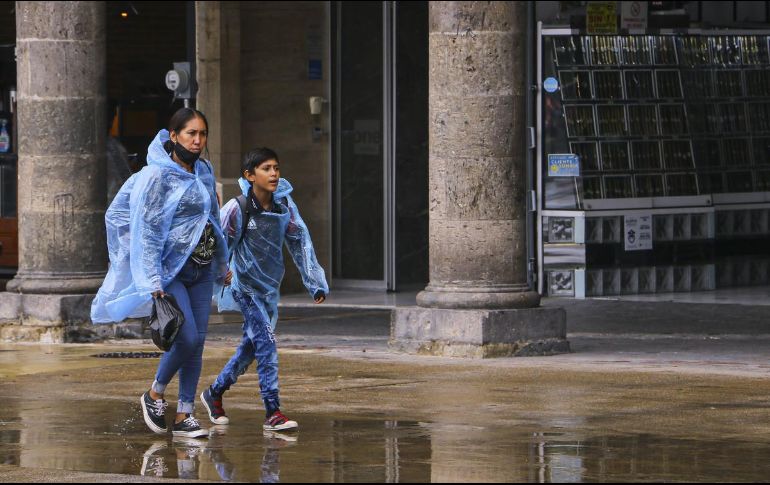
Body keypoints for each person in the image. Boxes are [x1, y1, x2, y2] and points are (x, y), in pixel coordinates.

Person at [91, 108, 228, 438]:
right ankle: (154, 394)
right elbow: (147, 229)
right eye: (190, 134)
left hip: (202, 268)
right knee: (187, 337)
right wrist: (151, 278)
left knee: (197, 345)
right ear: (174, 136)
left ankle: (184, 415)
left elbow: (212, 220)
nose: (197, 141)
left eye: (202, 134)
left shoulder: (204, 171)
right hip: (170, 272)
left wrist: (223, 263)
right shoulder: (157, 177)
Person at [200, 147, 328, 432]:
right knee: (267, 344)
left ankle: (215, 392)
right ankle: (273, 411)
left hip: (270, 289)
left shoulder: (284, 207)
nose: (273, 174)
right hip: (245, 289)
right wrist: (220, 272)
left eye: (276, 168)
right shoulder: (238, 207)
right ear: (250, 175)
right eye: (266, 168)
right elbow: (216, 242)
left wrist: (314, 282)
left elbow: (300, 242)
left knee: (251, 347)